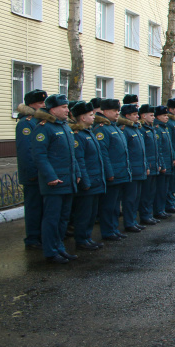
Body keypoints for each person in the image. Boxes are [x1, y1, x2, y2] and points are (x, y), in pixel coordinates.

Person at [31, 94, 81, 263]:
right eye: (63, 107)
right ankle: (51, 251)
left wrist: (77, 174)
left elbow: (71, 155)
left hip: (68, 180)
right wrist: (50, 176)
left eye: (67, 107)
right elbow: (39, 155)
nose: (68, 110)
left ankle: (60, 247)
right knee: (52, 218)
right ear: (52, 109)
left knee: (63, 218)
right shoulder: (44, 128)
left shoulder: (65, 127)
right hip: (55, 182)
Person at [70, 101, 105, 250]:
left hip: (96, 179)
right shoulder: (78, 135)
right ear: (82, 118)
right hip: (88, 180)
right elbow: (80, 160)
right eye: (91, 115)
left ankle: (87, 237)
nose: (94, 117)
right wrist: (85, 181)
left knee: (91, 213)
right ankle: (81, 239)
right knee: (84, 213)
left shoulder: (89, 133)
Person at [95, 98, 132, 241]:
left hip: (120, 172)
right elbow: (103, 154)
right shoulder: (102, 129)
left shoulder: (114, 126)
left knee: (115, 205)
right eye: (114, 111)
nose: (117, 113)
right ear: (105, 111)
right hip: (113, 174)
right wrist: (109, 173)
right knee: (108, 205)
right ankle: (107, 230)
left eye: (118, 111)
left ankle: (113, 228)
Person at [16, 88, 48, 250]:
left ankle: (42, 234)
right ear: (30, 104)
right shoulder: (26, 123)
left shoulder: (39, 120)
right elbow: (26, 152)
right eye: (40, 102)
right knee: (34, 207)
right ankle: (33, 237)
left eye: (44, 102)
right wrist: (33, 173)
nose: (43, 105)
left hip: (42, 173)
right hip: (33, 174)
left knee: (43, 206)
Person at [119, 104, 147, 233]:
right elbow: (125, 152)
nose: (137, 116)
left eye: (137, 114)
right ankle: (129, 222)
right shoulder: (125, 129)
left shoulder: (136, 128)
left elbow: (141, 151)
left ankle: (133, 221)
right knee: (129, 199)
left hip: (139, 168)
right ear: (127, 116)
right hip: (132, 169)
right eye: (134, 114)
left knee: (136, 197)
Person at [137, 104, 162, 225]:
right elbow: (143, 151)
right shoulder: (142, 129)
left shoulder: (151, 128)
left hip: (154, 164)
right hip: (148, 166)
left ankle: (148, 214)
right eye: (151, 115)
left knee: (151, 192)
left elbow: (156, 149)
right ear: (143, 115)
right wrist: (147, 165)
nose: (153, 117)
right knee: (145, 193)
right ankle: (144, 215)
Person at [154, 106, 175, 216]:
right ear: (158, 116)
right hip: (163, 163)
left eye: (167, 115)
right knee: (160, 189)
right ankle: (159, 210)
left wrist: (173, 158)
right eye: (164, 115)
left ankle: (163, 208)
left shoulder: (164, 128)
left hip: (168, 162)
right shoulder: (158, 128)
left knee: (166, 188)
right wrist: (162, 164)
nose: (166, 117)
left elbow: (169, 146)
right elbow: (159, 149)